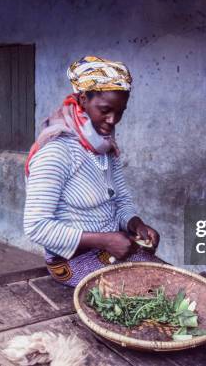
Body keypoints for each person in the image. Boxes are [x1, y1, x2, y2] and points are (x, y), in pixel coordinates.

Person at [24, 56, 162, 287]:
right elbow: (36, 227)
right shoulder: (57, 152)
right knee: (155, 296)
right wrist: (105, 240)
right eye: (105, 110)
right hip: (71, 261)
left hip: (111, 251)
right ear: (83, 99)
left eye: (120, 112)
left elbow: (120, 201)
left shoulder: (104, 147)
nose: (113, 120)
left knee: (179, 286)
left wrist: (135, 224)